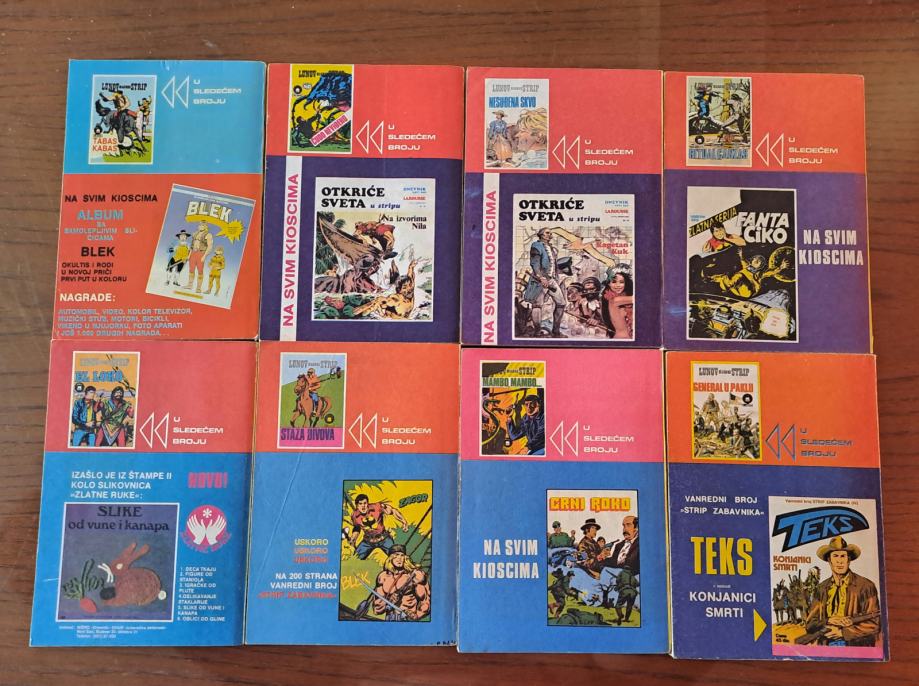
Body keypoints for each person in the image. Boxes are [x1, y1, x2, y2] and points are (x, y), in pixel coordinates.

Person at [803, 536, 881, 647]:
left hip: (855, 647)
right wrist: (829, 620)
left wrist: (842, 633)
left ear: (848, 560)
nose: (840, 561)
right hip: (826, 646)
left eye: (843, 556)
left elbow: (874, 624)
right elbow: (810, 624)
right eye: (835, 556)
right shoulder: (821, 588)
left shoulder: (866, 586)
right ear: (829, 560)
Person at [523, 228, 566, 338]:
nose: (549, 234)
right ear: (541, 234)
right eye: (547, 232)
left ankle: (556, 331)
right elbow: (535, 263)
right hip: (539, 281)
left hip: (551, 280)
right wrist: (541, 277)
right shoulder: (536, 246)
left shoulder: (552, 248)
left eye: (550, 233)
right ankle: (537, 332)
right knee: (537, 305)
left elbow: (553, 265)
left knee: (561, 303)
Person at [369, 545, 430, 621]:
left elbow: (425, 600)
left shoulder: (416, 576)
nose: (399, 558)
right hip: (390, 618)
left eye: (402, 555)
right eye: (396, 555)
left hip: (407, 618)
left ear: (405, 558)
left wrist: (417, 615)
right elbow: (377, 608)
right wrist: (389, 601)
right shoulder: (383, 577)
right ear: (390, 558)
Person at [348, 494, 409, 560]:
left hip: (384, 539)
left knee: (396, 557)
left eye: (365, 503)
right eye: (360, 504)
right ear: (357, 505)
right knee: (355, 558)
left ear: (367, 503)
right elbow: (357, 527)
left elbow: (392, 511)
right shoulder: (354, 515)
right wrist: (353, 538)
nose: (363, 506)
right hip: (368, 542)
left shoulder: (377, 507)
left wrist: (404, 521)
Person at [351, 260, 418, 319]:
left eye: (409, 285)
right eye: (404, 287)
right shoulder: (399, 295)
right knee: (379, 301)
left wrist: (411, 267)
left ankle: (361, 311)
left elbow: (410, 277)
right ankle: (361, 311)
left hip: (399, 316)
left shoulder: (409, 290)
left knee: (380, 301)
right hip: (391, 315)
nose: (407, 288)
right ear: (400, 288)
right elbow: (380, 301)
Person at [601, 270, 634, 339]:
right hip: (622, 338)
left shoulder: (625, 299)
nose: (618, 285)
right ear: (609, 284)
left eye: (621, 282)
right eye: (614, 282)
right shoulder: (615, 300)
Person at [185, 221, 213, 293]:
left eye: (203, 225)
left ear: (205, 227)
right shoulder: (195, 234)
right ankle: (190, 285)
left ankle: (198, 288)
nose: (201, 226)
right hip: (193, 253)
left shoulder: (208, 235)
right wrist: (189, 255)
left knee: (200, 271)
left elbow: (210, 247)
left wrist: (204, 256)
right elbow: (191, 246)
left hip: (201, 253)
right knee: (191, 270)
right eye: (200, 225)